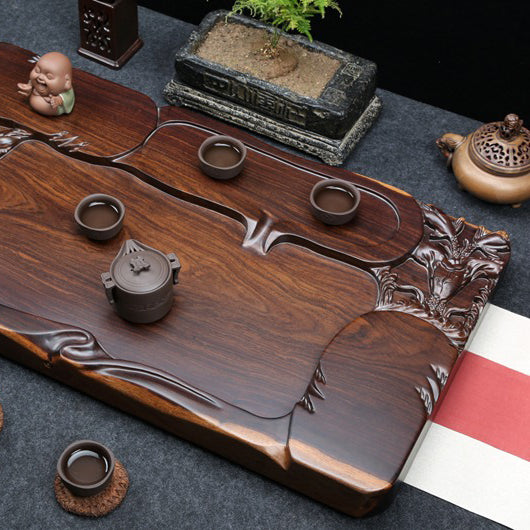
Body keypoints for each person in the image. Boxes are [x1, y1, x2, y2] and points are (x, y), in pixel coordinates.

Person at [17, 52, 75, 116]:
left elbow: (68, 98)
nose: (40, 77)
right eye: (37, 71)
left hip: (52, 107)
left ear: (66, 82)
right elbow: (31, 82)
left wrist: (59, 100)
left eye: (49, 77)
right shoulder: (37, 81)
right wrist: (29, 88)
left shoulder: (67, 91)